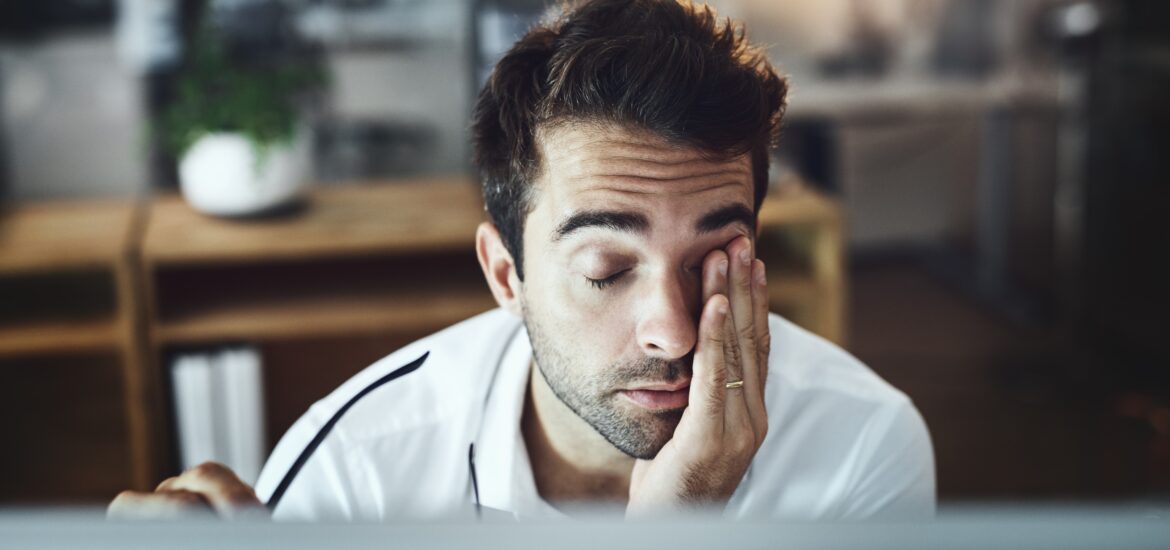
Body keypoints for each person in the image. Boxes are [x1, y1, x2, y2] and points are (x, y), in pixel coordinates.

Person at [109, 0, 934, 521]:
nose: (675, 332)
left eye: (716, 259)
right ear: (507, 275)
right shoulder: (360, 469)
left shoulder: (862, 444)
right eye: (607, 271)